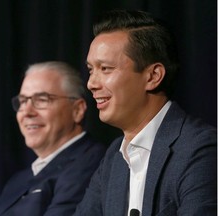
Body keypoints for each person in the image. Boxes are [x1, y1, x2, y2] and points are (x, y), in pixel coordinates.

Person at [74, 10, 217, 216]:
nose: (91, 84)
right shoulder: (114, 156)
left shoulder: (201, 150)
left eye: (105, 68)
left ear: (153, 76)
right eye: (91, 70)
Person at [0, 61, 106, 216]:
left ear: (77, 110)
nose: (27, 112)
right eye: (23, 101)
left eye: (41, 100)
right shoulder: (18, 179)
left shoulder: (92, 163)